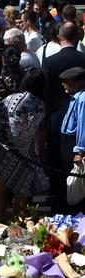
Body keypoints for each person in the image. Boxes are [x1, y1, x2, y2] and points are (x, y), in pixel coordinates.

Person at [0, 68, 47, 220]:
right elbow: (39, 132)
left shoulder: (10, 99)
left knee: (1, 188)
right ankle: (19, 223)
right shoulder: (40, 105)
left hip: (6, 149)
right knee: (21, 191)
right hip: (27, 153)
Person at [43, 22, 85, 213]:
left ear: (58, 38)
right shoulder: (83, 58)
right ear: (77, 38)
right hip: (73, 120)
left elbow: (45, 93)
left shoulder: (50, 62)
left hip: (57, 118)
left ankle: (59, 201)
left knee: (56, 166)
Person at [61, 66, 85, 203]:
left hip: (74, 144)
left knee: (78, 186)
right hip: (68, 142)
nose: (63, 84)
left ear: (76, 83)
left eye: (66, 81)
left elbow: (83, 125)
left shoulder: (82, 99)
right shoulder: (76, 97)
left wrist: (79, 151)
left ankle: (80, 222)